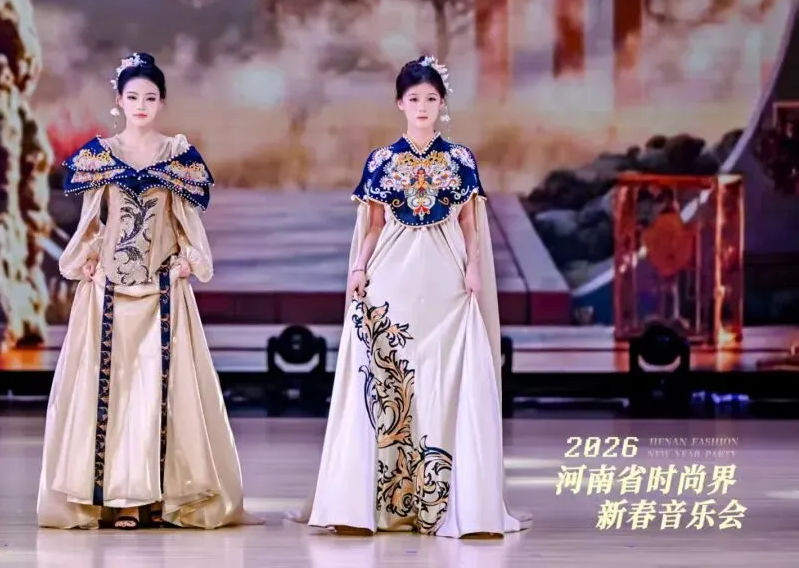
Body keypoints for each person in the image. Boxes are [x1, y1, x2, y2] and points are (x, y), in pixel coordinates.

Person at [298, 57, 531, 538]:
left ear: (442, 104)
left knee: (443, 376)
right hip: (391, 277)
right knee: (389, 377)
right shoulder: (381, 161)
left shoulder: (460, 160)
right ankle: (384, 502)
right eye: (413, 99)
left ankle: (440, 501)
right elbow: (373, 226)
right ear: (399, 104)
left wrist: (473, 269)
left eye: (430, 99)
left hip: (446, 279)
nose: (422, 107)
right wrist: (359, 269)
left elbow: (469, 224)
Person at [37, 52, 252, 531]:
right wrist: (85, 259)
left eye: (150, 97)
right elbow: (92, 220)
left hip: (162, 291)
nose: (140, 105)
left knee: (156, 392)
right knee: (113, 392)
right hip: (108, 293)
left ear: (161, 102)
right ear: (118, 100)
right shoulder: (100, 156)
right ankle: (120, 501)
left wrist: (188, 259)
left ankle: (157, 498)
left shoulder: (177, 155)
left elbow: (186, 219)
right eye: (132, 96)